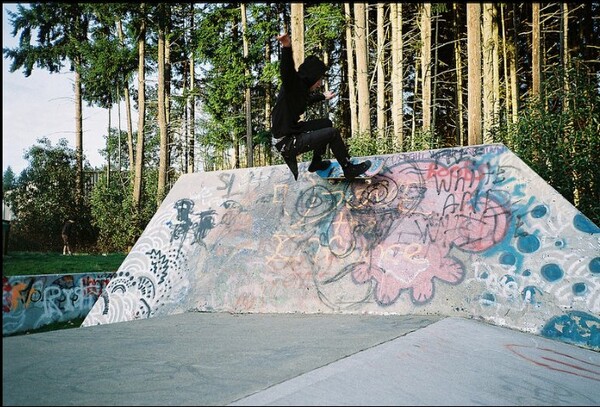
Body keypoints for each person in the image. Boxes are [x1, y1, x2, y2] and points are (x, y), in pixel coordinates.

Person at [271, 33, 371, 181]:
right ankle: (348, 168)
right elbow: (287, 71)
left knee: (326, 123)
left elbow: (306, 100)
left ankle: (316, 162)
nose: (319, 84)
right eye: (318, 80)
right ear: (311, 77)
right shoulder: (293, 85)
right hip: (287, 143)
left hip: (293, 132)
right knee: (332, 133)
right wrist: (286, 47)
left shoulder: (302, 90)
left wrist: (323, 96)